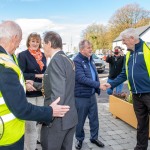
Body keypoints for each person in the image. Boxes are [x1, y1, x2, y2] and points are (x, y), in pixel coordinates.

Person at [0, 21, 70, 150]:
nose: (19, 44)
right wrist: (50, 111)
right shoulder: (6, 64)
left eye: (38, 42)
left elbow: (14, 81)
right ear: (14, 38)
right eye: (20, 40)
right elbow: (21, 109)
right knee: (31, 127)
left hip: (12, 129)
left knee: (35, 126)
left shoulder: (10, 57)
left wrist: (25, 84)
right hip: (7, 136)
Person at [104, 28, 150, 150]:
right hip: (136, 95)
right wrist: (111, 84)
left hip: (148, 93)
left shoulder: (148, 49)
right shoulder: (129, 53)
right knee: (141, 124)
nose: (123, 43)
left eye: (124, 40)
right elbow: (124, 74)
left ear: (132, 38)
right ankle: (141, 147)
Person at [40, 31, 78, 150]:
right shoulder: (67, 59)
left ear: (49, 43)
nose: (42, 47)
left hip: (57, 121)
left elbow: (58, 95)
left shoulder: (56, 60)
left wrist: (48, 117)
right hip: (69, 117)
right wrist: (35, 85)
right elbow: (62, 84)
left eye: (43, 44)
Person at [73, 40, 105, 149]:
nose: (91, 49)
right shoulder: (76, 61)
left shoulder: (90, 60)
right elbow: (81, 78)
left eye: (91, 47)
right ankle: (79, 139)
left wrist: (98, 85)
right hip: (81, 97)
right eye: (88, 47)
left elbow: (93, 75)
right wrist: (98, 85)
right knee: (80, 120)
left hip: (91, 95)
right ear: (82, 49)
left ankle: (94, 138)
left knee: (94, 118)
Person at [18, 33, 46, 150]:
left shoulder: (43, 55)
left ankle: (36, 140)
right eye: (33, 41)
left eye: (37, 41)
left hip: (40, 93)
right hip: (29, 93)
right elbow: (20, 73)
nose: (35, 43)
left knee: (39, 121)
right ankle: (30, 147)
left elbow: (46, 72)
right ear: (28, 42)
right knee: (30, 124)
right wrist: (37, 75)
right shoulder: (23, 55)